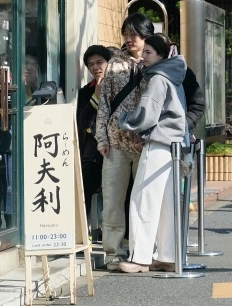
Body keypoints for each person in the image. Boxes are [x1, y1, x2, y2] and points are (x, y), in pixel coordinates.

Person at [117, 34, 189, 272]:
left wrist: (125, 120)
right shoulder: (174, 75)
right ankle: (167, 256)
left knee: (143, 200)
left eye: (148, 52)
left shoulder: (158, 78)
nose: (144, 57)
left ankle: (139, 258)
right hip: (176, 144)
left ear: (160, 55)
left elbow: (147, 114)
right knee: (168, 203)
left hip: (159, 142)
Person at [95, 14, 153, 270]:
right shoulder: (115, 64)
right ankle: (113, 252)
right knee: (113, 200)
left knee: (145, 200)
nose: (129, 39)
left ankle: (143, 250)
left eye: (134, 34)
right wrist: (101, 138)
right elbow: (104, 104)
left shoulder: (158, 63)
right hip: (116, 144)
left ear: (146, 35)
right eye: (126, 34)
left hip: (145, 144)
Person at [76, 45, 113, 236]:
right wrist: (96, 95)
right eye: (91, 64)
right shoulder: (85, 92)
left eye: (100, 62)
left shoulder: (119, 85)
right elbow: (83, 121)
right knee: (85, 190)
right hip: (92, 152)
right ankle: (85, 235)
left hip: (116, 149)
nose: (96, 67)